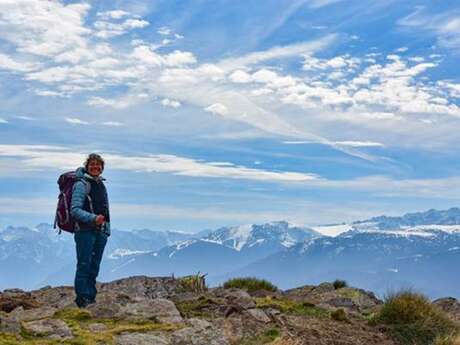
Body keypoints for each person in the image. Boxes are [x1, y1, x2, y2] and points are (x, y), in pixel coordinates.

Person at [70, 153, 111, 308]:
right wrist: (93, 218)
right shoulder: (81, 184)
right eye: (92, 164)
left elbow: (105, 209)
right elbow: (74, 210)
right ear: (87, 167)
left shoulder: (100, 184)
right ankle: (82, 299)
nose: (95, 167)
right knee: (84, 264)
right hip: (84, 231)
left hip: (100, 231)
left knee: (94, 265)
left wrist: (106, 229)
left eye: (98, 165)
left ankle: (90, 297)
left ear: (102, 168)